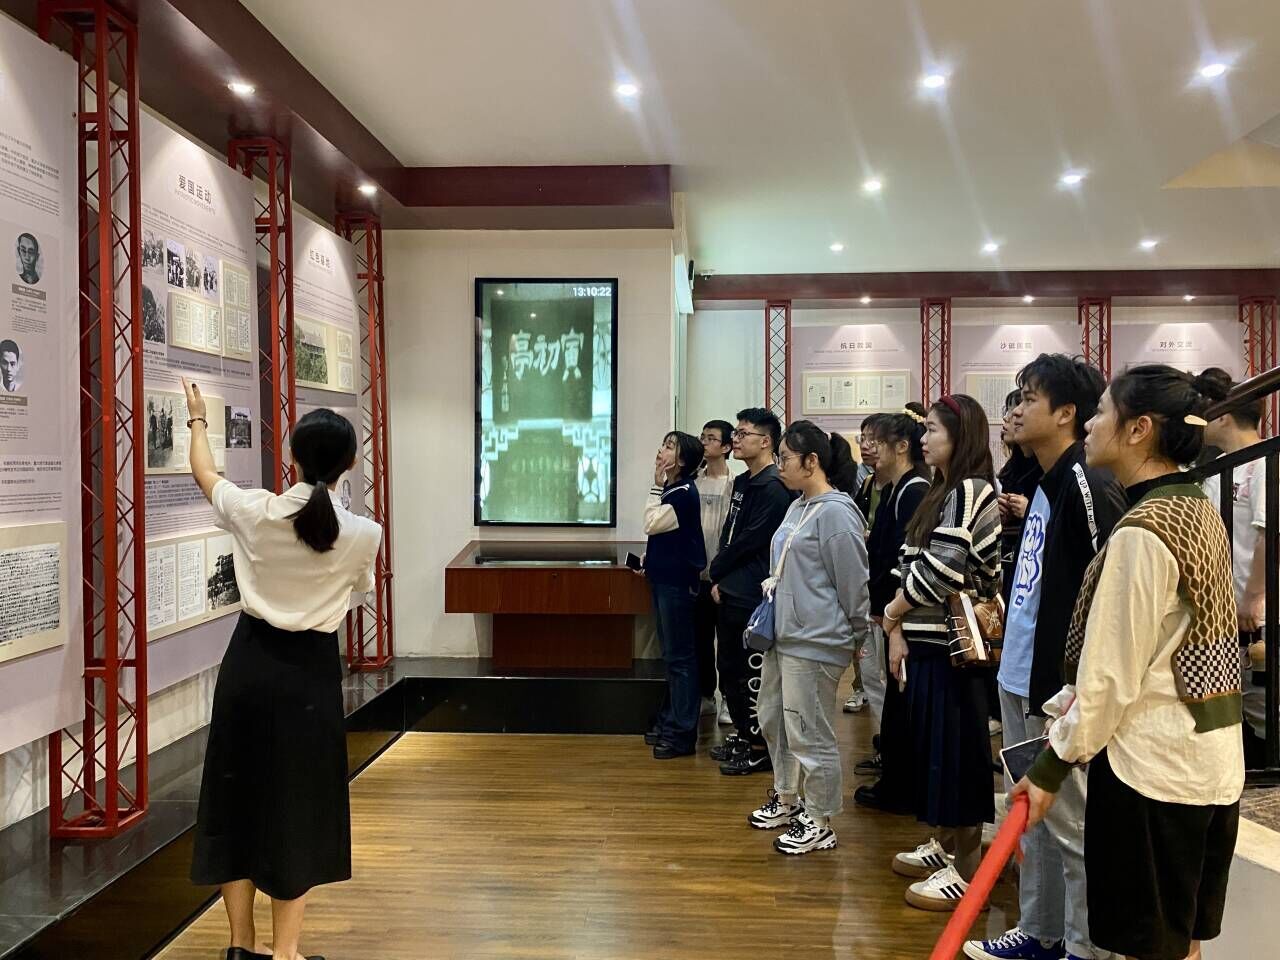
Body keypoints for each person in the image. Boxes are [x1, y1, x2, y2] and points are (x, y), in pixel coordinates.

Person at [1018, 365, 1244, 960]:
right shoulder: (1197, 507)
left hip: (1153, 772)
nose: (1091, 425)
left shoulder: (1143, 530)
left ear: (1139, 428)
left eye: (1101, 412)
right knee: (1180, 942)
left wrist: (1050, 768)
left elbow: (1110, 676)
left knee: (1150, 945)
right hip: (1210, 765)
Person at [184, 380, 382, 960]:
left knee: (236, 801)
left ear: (292, 457)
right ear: (349, 465)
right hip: (309, 677)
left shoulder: (255, 511)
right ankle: (285, 953)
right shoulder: (363, 535)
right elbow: (358, 591)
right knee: (297, 806)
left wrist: (197, 419)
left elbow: (205, 474)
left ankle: (239, 946)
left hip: (248, 665)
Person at [966, 355, 1126, 960]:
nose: (1015, 409)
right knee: (1031, 814)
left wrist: (1075, 687)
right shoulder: (1043, 480)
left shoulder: (1086, 481)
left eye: (1029, 398)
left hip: (1056, 688)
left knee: (1072, 825)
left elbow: (1105, 587)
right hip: (1020, 672)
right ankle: (1040, 931)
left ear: (1066, 413)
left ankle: (1084, 948)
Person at [880, 394, 1001, 911]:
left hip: (954, 650)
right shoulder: (943, 489)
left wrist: (892, 613)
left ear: (961, 435)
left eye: (932, 429)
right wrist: (896, 625)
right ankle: (948, 845)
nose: (923, 438)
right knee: (937, 751)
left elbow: (941, 571)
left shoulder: (970, 489)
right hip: (929, 643)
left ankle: (967, 871)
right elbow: (909, 563)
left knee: (957, 754)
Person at [746, 421, 870, 854]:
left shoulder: (837, 512)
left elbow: (853, 582)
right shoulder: (798, 506)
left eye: (785, 458)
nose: (779, 466)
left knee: (810, 731)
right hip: (783, 635)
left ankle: (820, 818)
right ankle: (787, 797)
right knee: (773, 719)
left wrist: (858, 634)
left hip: (817, 639)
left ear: (811, 461)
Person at [709, 407, 795, 775]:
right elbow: (730, 532)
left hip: (752, 593)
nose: (736, 440)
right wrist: (719, 578)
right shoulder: (744, 481)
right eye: (736, 433)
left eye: (744, 434)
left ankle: (761, 746)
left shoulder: (774, 487)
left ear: (766, 441)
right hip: (731, 587)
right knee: (728, 668)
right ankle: (745, 735)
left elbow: (751, 540)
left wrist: (717, 569)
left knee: (750, 674)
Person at [853, 407, 930, 813]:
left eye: (877, 441)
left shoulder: (913, 489)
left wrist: (890, 611)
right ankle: (896, 779)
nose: (869, 448)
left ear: (902, 447)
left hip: (899, 613)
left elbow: (904, 559)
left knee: (898, 697)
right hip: (889, 610)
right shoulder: (891, 487)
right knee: (893, 699)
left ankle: (901, 785)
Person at [1197, 368, 1270, 769]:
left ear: (1222, 415)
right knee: (1233, 713)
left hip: (1257, 618)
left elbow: (1269, 535)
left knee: (1264, 712)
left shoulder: (1264, 461)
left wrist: (1253, 598)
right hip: (1222, 617)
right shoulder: (1218, 468)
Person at [642, 430, 708, 759]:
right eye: (664, 444)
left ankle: (682, 733)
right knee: (673, 656)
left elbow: (651, 523)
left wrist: (655, 487)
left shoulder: (681, 492)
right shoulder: (675, 489)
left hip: (677, 585)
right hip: (665, 580)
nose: (661, 450)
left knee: (680, 659)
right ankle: (671, 722)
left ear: (681, 460)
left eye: (670, 447)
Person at [694, 420, 735, 720]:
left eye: (711, 438)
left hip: (723, 576)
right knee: (700, 640)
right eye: (703, 437)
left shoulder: (736, 484)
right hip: (696, 573)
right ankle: (705, 694)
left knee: (728, 643)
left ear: (726, 447)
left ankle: (728, 700)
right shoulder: (694, 481)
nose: (705, 443)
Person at [996, 389, 1043, 609]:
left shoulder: (1047, 468)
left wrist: (1029, 511)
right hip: (1011, 562)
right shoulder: (1011, 468)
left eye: (1026, 404)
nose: (1010, 417)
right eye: (1008, 410)